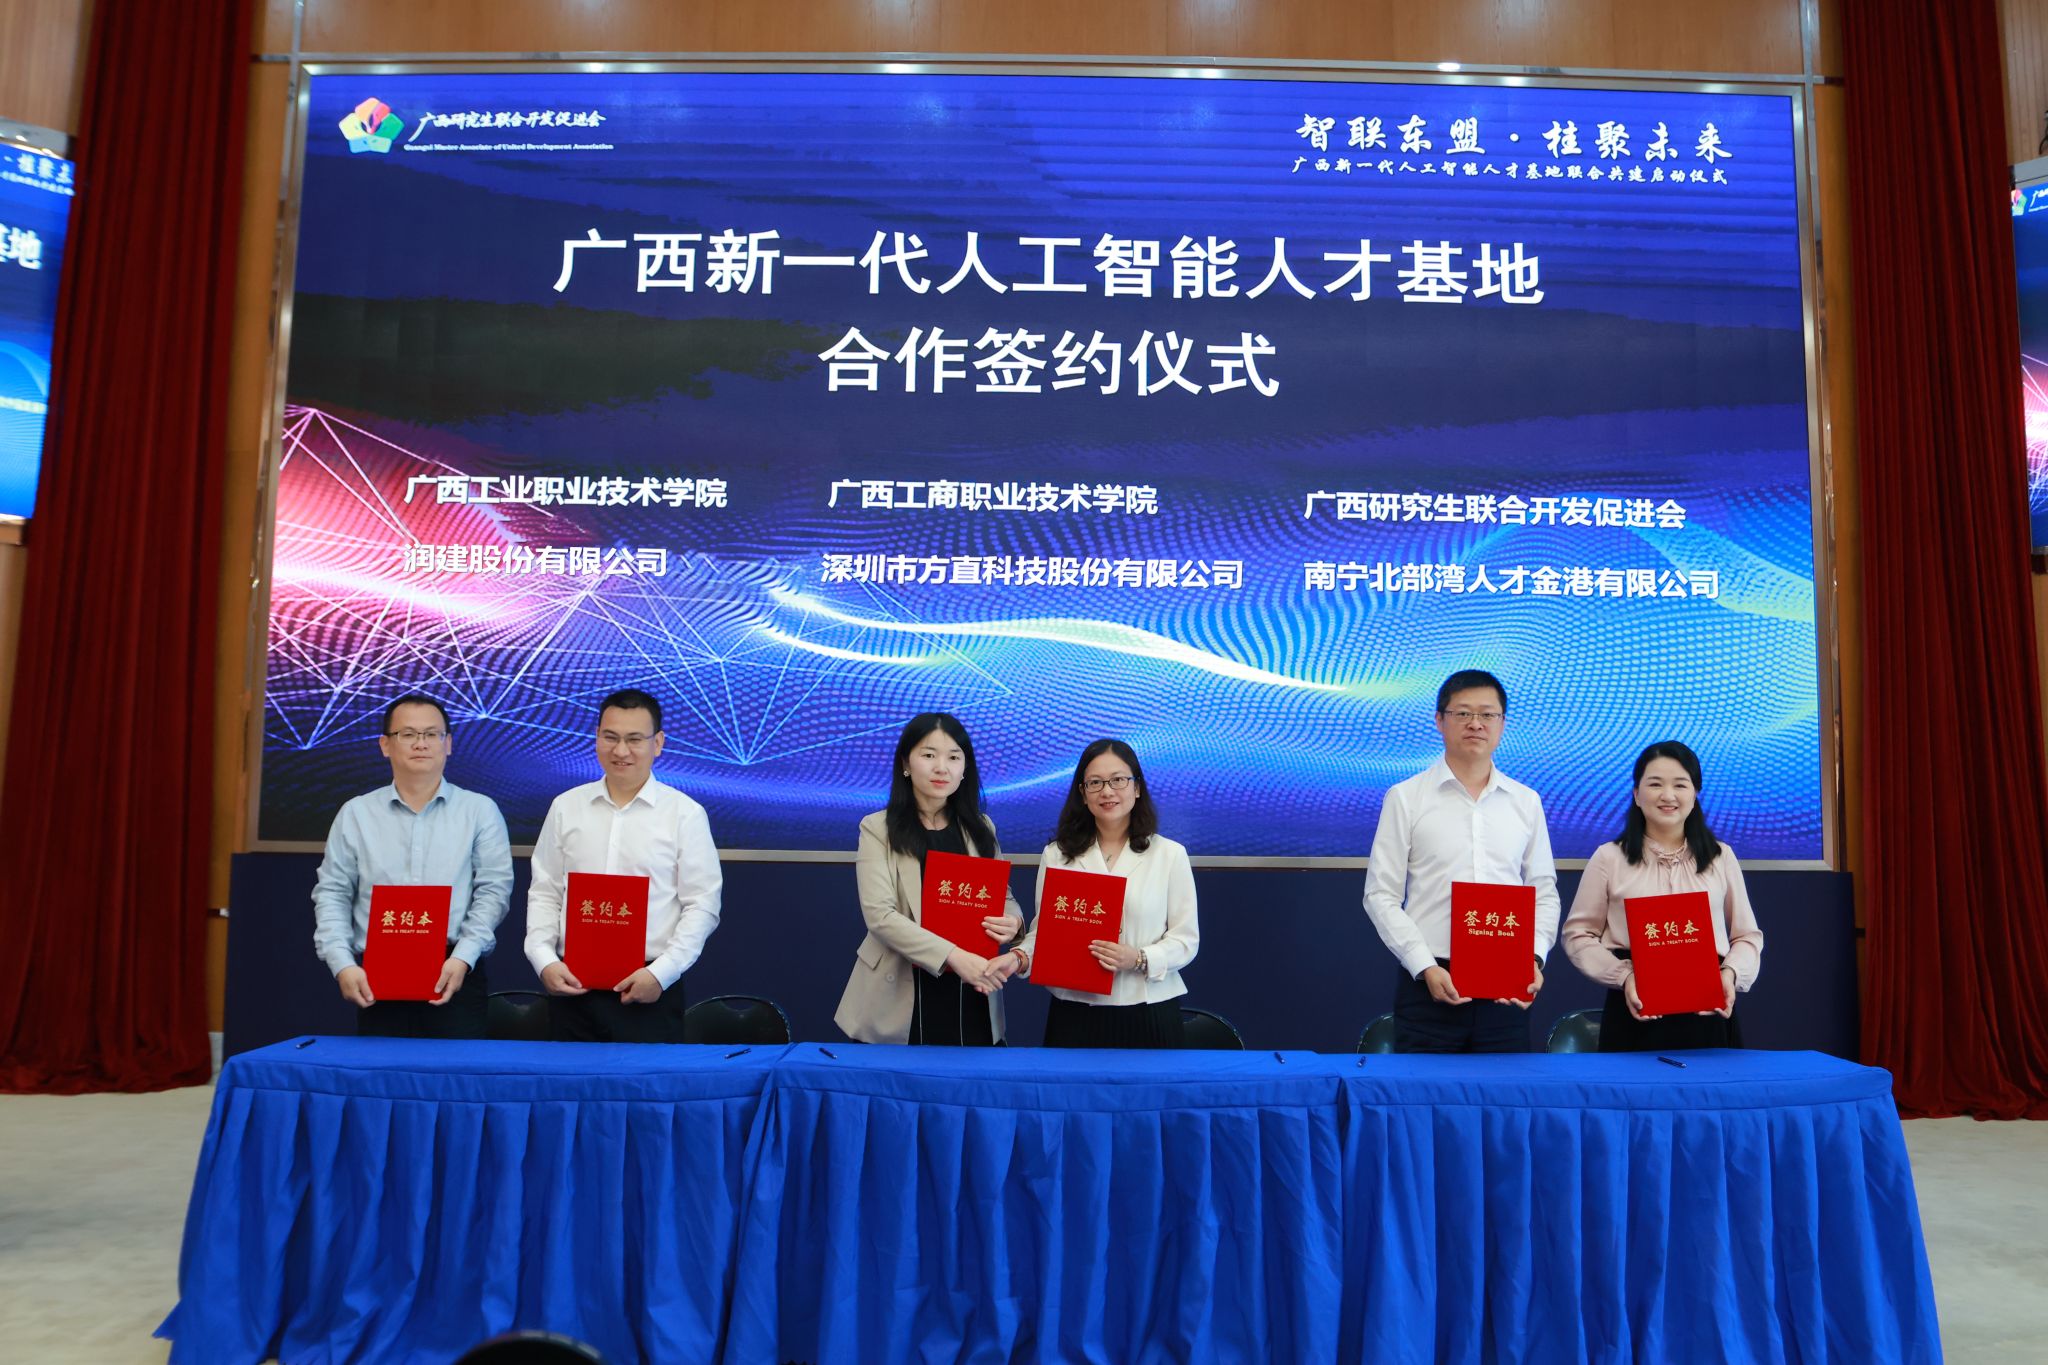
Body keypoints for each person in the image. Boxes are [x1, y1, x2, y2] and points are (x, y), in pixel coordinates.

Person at [1363, 669, 1559, 1052]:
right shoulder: (1406, 797)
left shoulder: (1526, 802)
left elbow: (1544, 892)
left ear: (1502, 723)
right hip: (1430, 983)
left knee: (1504, 1090)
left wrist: (1533, 957)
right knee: (1423, 1091)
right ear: (1440, 720)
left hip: (1508, 985)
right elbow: (1380, 895)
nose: (1476, 724)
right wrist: (1423, 965)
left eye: (1487, 714)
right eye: (1463, 713)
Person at [524, 688, 722, 1043]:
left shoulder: (685, 814)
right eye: (610, 737)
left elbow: (702, 905)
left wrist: (662, 973)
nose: (620, 751)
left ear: (657, 743)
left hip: (649, 989)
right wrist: (543, 959)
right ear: (597, 737)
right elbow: (545, 891)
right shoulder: (566, 806)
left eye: (634, 739)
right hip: (572, 986)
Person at [311, 693, 513, 1039]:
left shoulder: (479, 811)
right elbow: (332, 892)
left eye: (432, 734)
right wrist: (342, 963)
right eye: (407, 734)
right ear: (385, 745)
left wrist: (463, 957)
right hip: (377, 974)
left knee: (455, 1071)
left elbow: (493, 892)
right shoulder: (356, 813)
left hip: (455, 969)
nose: (421, 743)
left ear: (448, 744)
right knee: (383, 1070)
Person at [1561, 740, 1763, 1051]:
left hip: (1708, 1009)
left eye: (1680, 785)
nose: (1668, 795)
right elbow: (1578, 935)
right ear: (1636, 794)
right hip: (1635, 1006)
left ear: (1695, 794)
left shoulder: (1720, 856)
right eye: (1655, 784)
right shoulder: (1609, 858)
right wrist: (1623, 975)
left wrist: (1731, 973)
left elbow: (1747, 936)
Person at [835, 713, 1023, 1045]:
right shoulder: (878, 828)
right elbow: (880, 916)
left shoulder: (981, 827)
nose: (941, 768)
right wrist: (953, 956)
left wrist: (1013, 921)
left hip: (973, 989)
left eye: (953, 757)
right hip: (899, 993)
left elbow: (1002, 896)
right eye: (929, 755)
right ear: (906, 763)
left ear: (965, 768)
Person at [1005, 738, 1198, 1049]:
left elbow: (1186, 940)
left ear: (1137, 787)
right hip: (1074, 1012)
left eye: (1118, 780)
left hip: (1148, 1008)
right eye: (1095, 783)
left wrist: (1139, 958)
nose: (1107, 791)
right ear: (1082, 793)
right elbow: (1045, 934)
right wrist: (1019, 958)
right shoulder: (1057, 855)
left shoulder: (1169, 855)